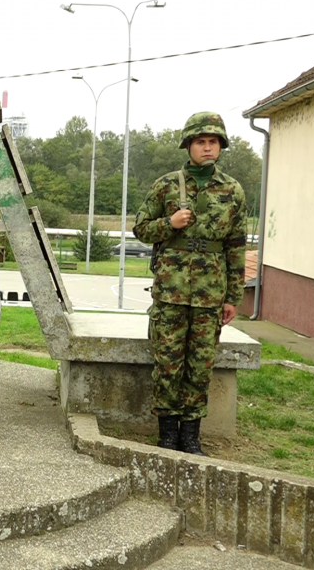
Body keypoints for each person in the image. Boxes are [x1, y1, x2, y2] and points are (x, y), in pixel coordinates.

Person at [132, 112, 247, 455]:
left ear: (221, 147)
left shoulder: (232, 190)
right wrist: (169, 223)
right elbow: (140, 228)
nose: (208, 147)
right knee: (167, 362)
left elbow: (237, 246)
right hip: (170, 291)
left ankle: (191, 434)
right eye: (201, 142)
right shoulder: (167, 185)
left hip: (210, 294)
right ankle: (167, 432)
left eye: (213, 142)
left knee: (200, 366)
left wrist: (233, 297)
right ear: (189, 146)